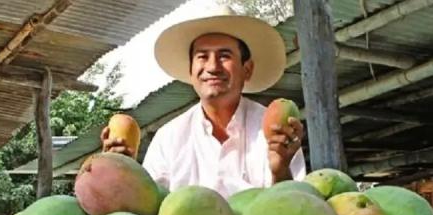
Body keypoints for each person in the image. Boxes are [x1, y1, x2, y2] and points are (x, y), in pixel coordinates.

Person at [100, 6, 306, 198]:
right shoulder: (169, 138)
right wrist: (120, 172)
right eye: (202, 56)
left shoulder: (274, 133)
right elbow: (149, 212)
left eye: (224, 56)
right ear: (190, 71)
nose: (213, 66)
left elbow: (292, 206)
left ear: (247, 69)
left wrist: (281, 170)